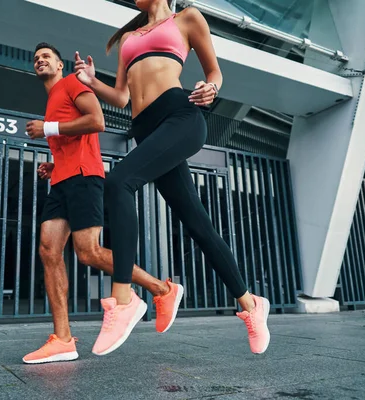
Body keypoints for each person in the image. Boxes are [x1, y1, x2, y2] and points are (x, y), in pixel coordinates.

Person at [74, 0, 271, 356]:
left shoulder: (188, 17)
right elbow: (121, 96)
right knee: (198, 224)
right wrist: (92, 83)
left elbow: (215, 73)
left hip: (180, 117)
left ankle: (123, 299)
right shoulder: (129, 37)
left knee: (119, 181)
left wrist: (211, 89)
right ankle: (250, 302)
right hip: (145, 129)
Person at [22, 42, 184, 364]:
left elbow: (97, 121)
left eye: (47, 57)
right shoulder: (52, 101)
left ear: (59, 66)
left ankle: (162, 290)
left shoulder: (71, 84)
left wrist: (48, 128)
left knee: (88, 252)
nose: (40, 60)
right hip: (63, 181)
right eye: (36, 58)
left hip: (85, 177)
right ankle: (63, 339)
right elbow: (73, 142)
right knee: (48, 250)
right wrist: (54, 165)